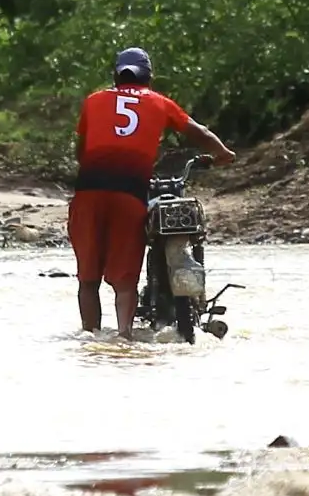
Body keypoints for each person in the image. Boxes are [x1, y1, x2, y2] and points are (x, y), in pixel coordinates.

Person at [68, 47, 235, 338]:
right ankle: (124, 336)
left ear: (116, 76)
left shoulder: (93, 101)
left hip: (90, 192)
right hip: (129, 193)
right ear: (149, 77)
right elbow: (200, 133)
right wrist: (222, 153)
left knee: (88, 278)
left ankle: (91, 339)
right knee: (124, 281)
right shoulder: (161, 103)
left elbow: (80, 151)